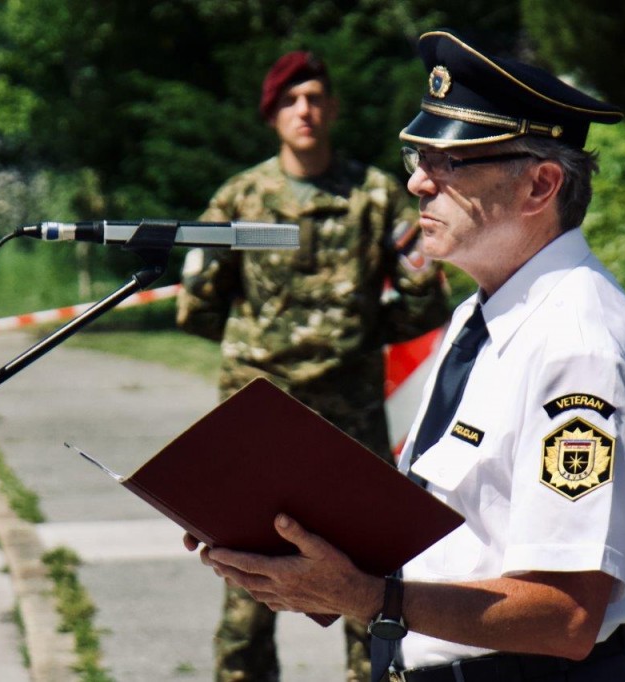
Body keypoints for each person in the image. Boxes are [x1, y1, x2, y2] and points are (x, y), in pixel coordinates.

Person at [186, 30, 625, 682]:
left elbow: (564, 616)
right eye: (419, 157)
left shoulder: (579, 347)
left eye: (451, 163)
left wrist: (369, 598)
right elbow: (459, 540)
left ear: (540, 185)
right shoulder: (483, 315)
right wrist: (299, 556)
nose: (419, 182)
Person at [176, 50, 449, 681]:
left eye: (316, 97)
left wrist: (355, 339)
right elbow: (197, 302)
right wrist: (265, 344)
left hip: (348, 414)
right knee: (247, 577)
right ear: (272, 114)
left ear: (334, 109)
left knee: (364, 577)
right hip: (256, 413)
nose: (306, 110)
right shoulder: (239, 198)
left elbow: (424, 297)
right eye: (291, 100)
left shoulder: (376, 196)